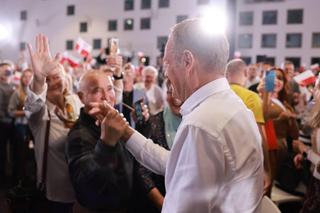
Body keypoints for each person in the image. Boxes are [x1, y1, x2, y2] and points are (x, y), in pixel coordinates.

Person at [90, 19, 264, 212]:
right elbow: (175, 163)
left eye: (166, 62)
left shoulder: (202, 125)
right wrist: (126, 132)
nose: (165, 72)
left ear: (187, 61)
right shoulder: (232, 105)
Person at [66, 69, 161, 212]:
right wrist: (106, 143)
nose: (106, 97)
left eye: (109, 89)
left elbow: (135, 159)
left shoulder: (113, 120)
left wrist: (142, 124)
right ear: (81, 97)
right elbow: (86, 187)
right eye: (97, 91)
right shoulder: (78, 134)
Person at [24, 34, 82, 212]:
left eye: (57, 76)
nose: (53, 82)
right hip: (57, 195)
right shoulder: (40, 113)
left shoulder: (76, 101)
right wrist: (39, 78)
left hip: (82, 190)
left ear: (66, 77)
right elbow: (33, 104)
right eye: (48, 80)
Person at [226, 59, 271, 196]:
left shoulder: (215, 95)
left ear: (226, 74)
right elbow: (260, 136)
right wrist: (267, 169)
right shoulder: (251, 97)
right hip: (244, 163)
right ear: (245, 72)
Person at [8, 68, 33, 185]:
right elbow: (11, 111)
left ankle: (27, 177)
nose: (27, 79)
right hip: (21, 126)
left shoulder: (36, 93)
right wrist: (25, 112)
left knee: (30, 154)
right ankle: (17, 179)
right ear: (22, 79)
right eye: (25, 76)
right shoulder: (17, 92)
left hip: (32, 127)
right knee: (20, 153)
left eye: (30, 76)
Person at [0, 62, 14, 186]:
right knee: (2, 152)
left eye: (9, 70)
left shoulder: (14, 86)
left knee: (13, 152)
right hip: (3, 123)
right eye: (4, 70)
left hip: (13, 122)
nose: (7, 71)